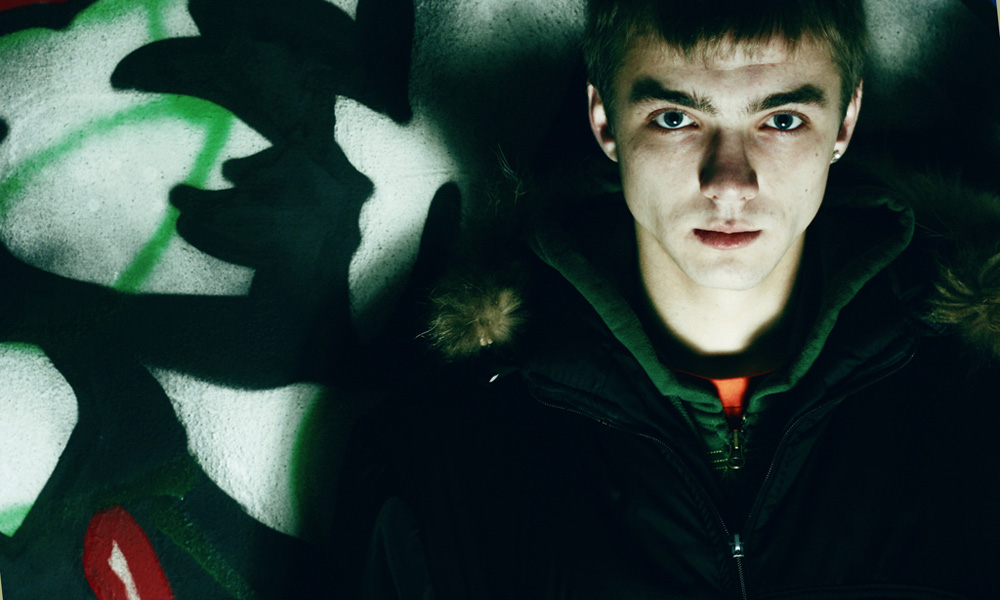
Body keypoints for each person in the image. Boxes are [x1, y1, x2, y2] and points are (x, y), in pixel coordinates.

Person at [332, 0, 1000, 598]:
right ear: (604, 120)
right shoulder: (452, 448)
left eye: (782, 119)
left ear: (845, 122)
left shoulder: (975, 411)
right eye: (676, 118)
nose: (730, 182)